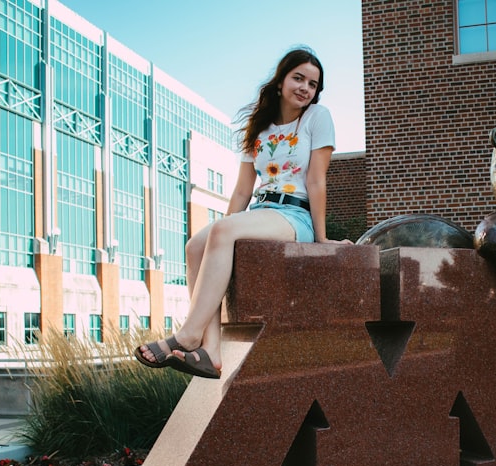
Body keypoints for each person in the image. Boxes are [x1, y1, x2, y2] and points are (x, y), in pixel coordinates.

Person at [135, 47, 349, 378]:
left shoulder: (317, 118)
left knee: (221, 232)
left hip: (293, 216)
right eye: (298, 78)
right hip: (260, 211)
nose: (306, 88)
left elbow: (317, 180)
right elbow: (241, 190)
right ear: (280, 81)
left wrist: (321, 238)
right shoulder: (259, 127)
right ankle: (211, 351)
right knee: (195, 245)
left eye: (313, 84)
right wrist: (225, 226)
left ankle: (188, 334)